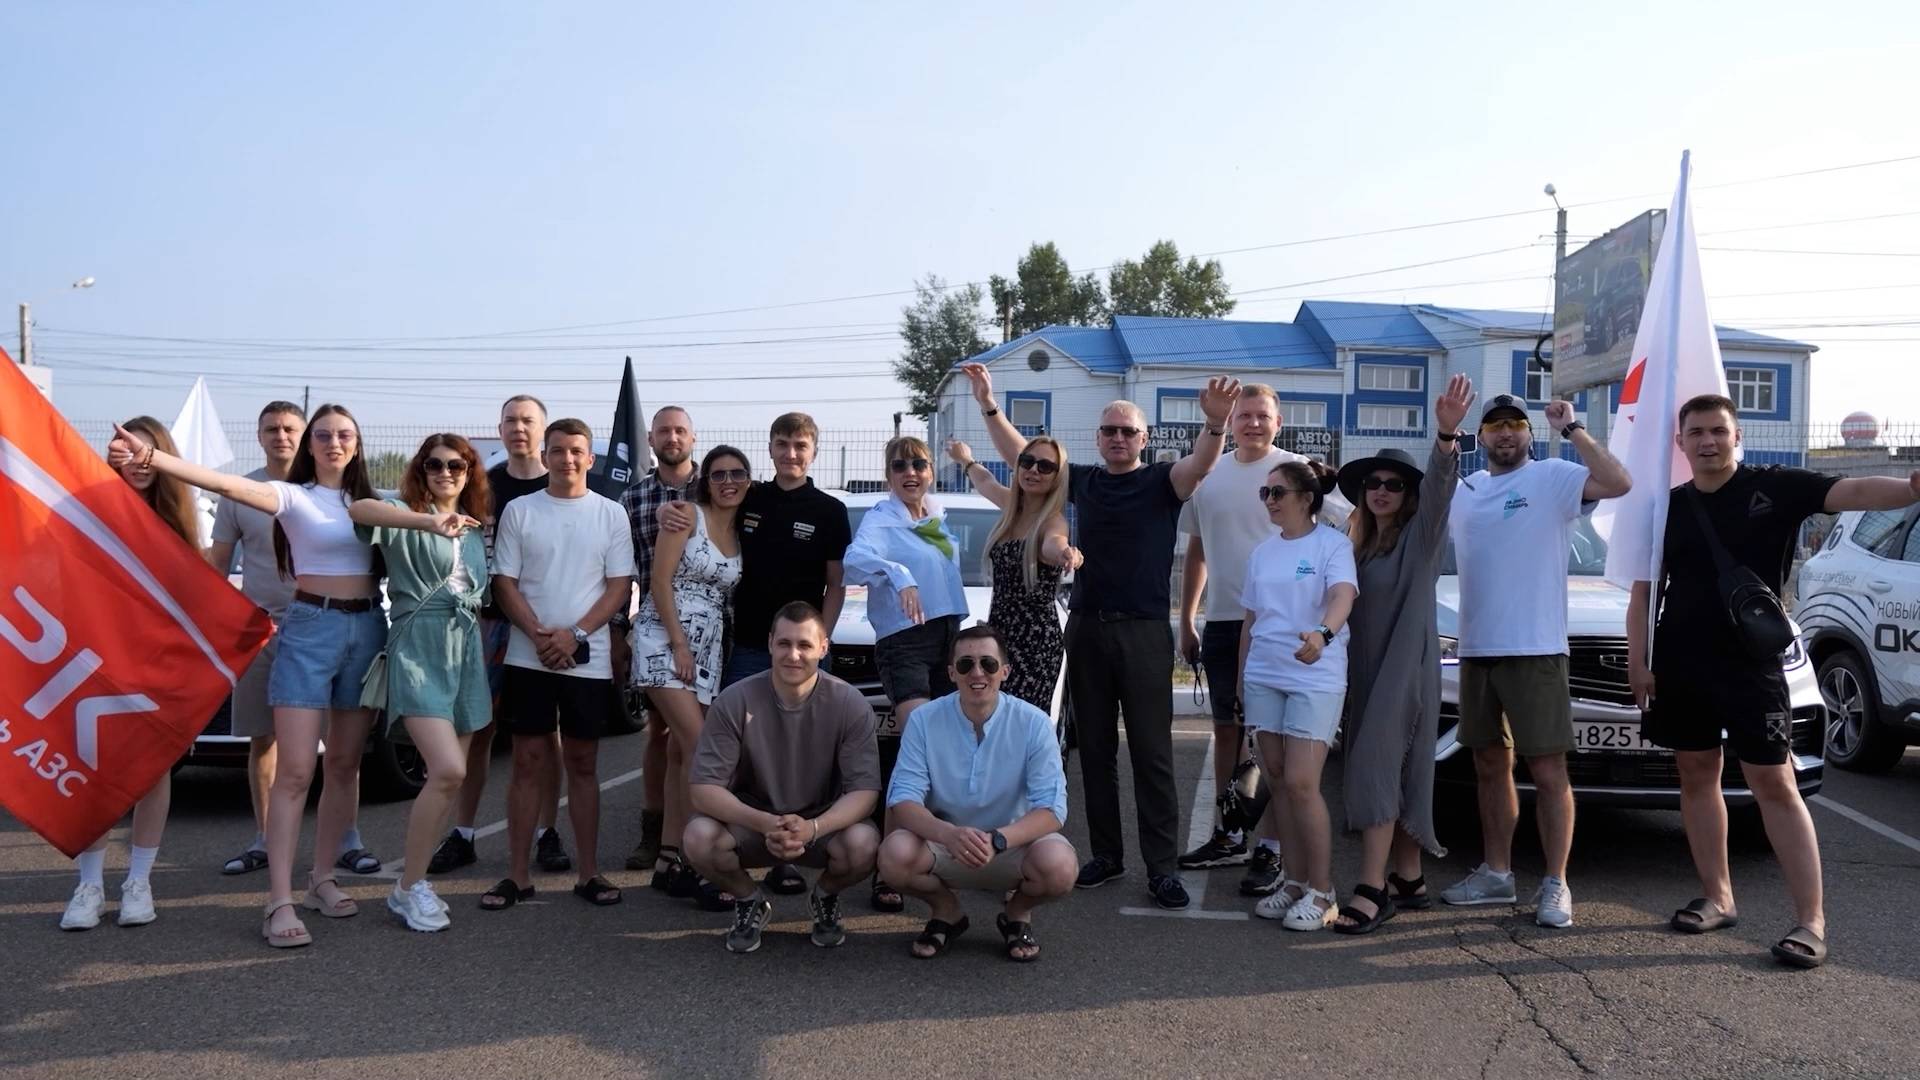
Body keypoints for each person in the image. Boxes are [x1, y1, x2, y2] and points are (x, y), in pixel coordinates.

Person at [1629, 394, 1920, 968]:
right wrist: (1640, 662)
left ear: (1737, 437)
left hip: (1752, 665)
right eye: (1696, 432)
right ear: (1680, 442)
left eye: (1718, 431)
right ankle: (1718, 898)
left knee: (1774, 782)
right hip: (1681, 663)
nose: (1708, 441)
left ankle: (1811, 921)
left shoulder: (1775, 487)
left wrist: (1911, 489)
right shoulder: (1668, 507)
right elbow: (1643, 593)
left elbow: (1851, 492)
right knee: (1696, 775)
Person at [112, 403, 390, 948]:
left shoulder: (372, 503)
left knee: (344, 764)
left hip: (365, 632)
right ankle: (278, 900)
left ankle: (322, 879)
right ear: (310, 445)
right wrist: (156, 459)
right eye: (324, 435)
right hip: (307, 630)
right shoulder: (291, 495)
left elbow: (425, 522)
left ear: (357, 444)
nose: (334, 443)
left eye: (345, 435)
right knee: (295, 771)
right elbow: (223, 485)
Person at [965, 362, 1240, 910]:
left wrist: (1216, 424)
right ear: (1097, 438)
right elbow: (1024, 454)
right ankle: (1107, 856)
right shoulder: (1084, 482)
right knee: (1093, 750)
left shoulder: (1163, 480)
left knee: (1152, 754)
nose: (1118, 438)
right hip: (1087, 630)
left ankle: (1161, 869)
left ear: (1143, 438)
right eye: (1110, 430)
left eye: (1127, 431)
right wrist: (989, 404)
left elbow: (1202, 464)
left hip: (1143, 632)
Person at [1440, 395, 1631, 928]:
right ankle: (1496, 874)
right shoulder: (1467, 490)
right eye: (1495, 426)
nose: (1505, 433)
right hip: (1476, 650)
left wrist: (1572, 429)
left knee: (1548, 770)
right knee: (1488, 765)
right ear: (1481, 437)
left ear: (1528, 433)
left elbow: (1618, 482)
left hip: (1536, 649)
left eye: (1515, 425)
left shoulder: (1552, 477)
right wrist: (1444, 434)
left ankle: (1555, 882)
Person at [659, 411, 852, 899]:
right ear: (770, 449)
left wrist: (822, 639)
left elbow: (836, 584)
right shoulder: (752, 497)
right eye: (782, 444)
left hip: (804, 653)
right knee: (746, 754)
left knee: (803, 753)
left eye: (800, 445)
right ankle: (742, 848)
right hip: (747, 647)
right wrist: (671, 511)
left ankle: (792, 855)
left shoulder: (830, 510)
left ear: (813, 451)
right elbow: (706, 507)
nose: (791, 453)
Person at [1329, 374, 1474, 934]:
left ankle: (1372, 890)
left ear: (1409, 494)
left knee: (1374, 768)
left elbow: (1439, 491)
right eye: (1373, 483)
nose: (1383, 491)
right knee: (1407, 769)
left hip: (1404, 670)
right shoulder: (1356, 545)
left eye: (1394, 484)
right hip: (1364, 674)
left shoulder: (1421, 537)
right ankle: (1408, 879)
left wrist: (1446, 437)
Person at [482, 418, 634, 912]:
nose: (567, 458)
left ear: (590, 459)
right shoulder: (520, 510)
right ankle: (517, 876)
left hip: (587, 661)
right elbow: (504, 582)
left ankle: (588, 873)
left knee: (583, 763)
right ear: (545, 456)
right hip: (528, 657)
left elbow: (618, 586)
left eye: (576, 451)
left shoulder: (611, 514)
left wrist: (576, 634)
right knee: (526, 761)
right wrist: (539, 634)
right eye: (558, 450)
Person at [59, 418, 203, 931]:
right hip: (93, 662)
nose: (138, 462)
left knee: (152, 772)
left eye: (148, 453)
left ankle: (138, 883)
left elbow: (196, 600)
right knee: (95, 772)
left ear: (162, 459)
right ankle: (89, 885)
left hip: (155, 665)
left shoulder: (178, 523)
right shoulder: (90, 511)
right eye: (127, 451)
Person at [1173, 383, 1312, 896]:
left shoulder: (1297, 470)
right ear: (1230, 422)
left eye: (1262, 416)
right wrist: (1189, 619)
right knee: (1227, 731)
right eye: (1244, 415)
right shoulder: (1208, 473)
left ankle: (1271, 849)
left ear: (1278, 422)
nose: (1253, 423)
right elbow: (1198, 550)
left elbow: (1344, 525)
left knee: (1273, 738)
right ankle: (1230, 834)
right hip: (1225, 623)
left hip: (1280, 628)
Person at [349, 435, 490, 932]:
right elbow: (359, 509)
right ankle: (410, 887)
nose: (445, 472)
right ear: (421, 469)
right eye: (435, 464)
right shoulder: (404, 514)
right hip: (418, 647)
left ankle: (413, 883)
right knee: (449, 769)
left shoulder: (475, 530)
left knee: (448, 780)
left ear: (470, 472)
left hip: (465, 651)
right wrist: (427, 521)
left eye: (456, 465)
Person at [683, 602, 882, 954]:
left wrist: (813, 828)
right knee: (698, 838)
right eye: (784, 643)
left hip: (821, 823)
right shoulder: (734, 700)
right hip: (753, 822)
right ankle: (749, 899)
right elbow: (704, 789)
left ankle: (826, 894)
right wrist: (765, 823)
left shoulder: (850, 704)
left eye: (805, 645)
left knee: (864, 844)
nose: (793, 655)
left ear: (824, 648)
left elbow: (864, 792)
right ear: (770, 643)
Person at [428, 395, 572, 877]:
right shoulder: (481, 485)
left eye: (528, 420)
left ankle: (547, 831)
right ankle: (463, 832)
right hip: (486, 623)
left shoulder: (562, 484)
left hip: (542, 628)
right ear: (500, 427)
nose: (519, 428)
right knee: (477, 729)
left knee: (544, 733)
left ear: (542, 429)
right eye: (511, 420)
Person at [878, 624, 1078, 962]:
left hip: (1011, 844)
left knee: (1059, 867)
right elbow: (903, 799)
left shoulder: (1034, 722)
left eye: (988, 663)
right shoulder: (924, 720)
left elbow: (1052, 809)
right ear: (951, 673)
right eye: (965, 664)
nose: (977, 673)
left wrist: (998, 839)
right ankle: (947, 912)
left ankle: (1017, 914)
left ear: (1005, 671)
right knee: (892, 856)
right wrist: (948, 834)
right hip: (945, 844)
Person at [843, 434, 967, 912]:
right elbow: (854, 561)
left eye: (919, 464)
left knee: (940, 753)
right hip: (905, 642)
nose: (910, 472)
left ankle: (927, 854)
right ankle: (886, 869)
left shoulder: (934, 516)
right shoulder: (882, 519)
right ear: (888, 474)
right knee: (918, 745)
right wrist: (899, 575)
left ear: (931, 470)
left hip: (948, 640)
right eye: (899, 465)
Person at [1236, 460, 1357, 930]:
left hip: (1315, 676)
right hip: (1264, 675)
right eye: (1264, 493)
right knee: (1279, 781)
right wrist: (1243, 681)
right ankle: (1294, 882)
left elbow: (1343, 596)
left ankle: (1323, 893)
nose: (1269, 501)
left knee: (1303, 783)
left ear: (1306, 499)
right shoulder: (1263, 552)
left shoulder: (1333, 544)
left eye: (1277, 493)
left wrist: (1323, 635)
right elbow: (1251, 620)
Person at [630, 444, 748, 909]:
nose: (728, 482)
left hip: (709, 647)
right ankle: (703, 866)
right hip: (665, 639)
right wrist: (679, 644)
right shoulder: (685, 516)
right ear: (705, 481)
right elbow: (659, 581)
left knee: (682, 752)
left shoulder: (741, 527)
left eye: (737, 474)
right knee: (701, 747)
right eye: (718, 474)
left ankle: (670, 859)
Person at [944, 435, 1082, 710]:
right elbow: (985, 482)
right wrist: (965, 459)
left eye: (1045, 466)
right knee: (990, 718)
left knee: (1021, 720)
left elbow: (1054, 542)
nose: (1033, 470)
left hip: (1035, 644)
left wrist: (1066, 553)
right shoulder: (1011, 507)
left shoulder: (1053, 521)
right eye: (1027, 462)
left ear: (1057, 477)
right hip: (998, 637)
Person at [617, 405, 698, 873]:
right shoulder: (633, 498)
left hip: (713, 633)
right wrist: (619, 629)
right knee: (660, 733)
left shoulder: (716, 488)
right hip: (656, 634)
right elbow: (621, 571)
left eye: (680, 430)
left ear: (693, 438)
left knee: (701, 736)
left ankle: (695, 833)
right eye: (664, 431)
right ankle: (655, 830)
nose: (672, 437)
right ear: (650, 439)